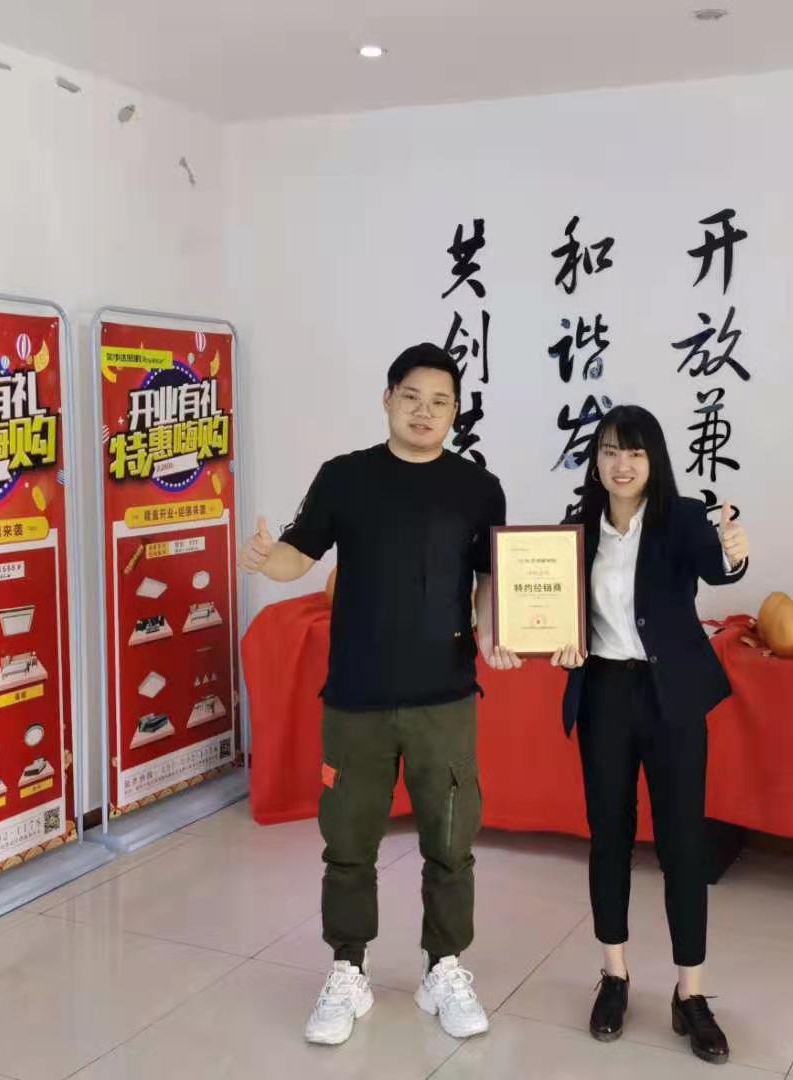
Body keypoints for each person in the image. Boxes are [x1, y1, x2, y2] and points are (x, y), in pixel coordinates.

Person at [240, 343, 518, 1046]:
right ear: (388, 398)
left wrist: (492, 633)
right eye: (412, 397)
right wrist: (268, 559)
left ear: (455, 412)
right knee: (348, 842)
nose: (425, 412)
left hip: (444, 695)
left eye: (440, 402)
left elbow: (489, 579)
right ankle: (347, 970)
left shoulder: (478, 488)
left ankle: (442, 968)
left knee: (450, 842)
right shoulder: (345, 477)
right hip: (356, 697)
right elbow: (299, 553)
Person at [494, 404, 749, 1064]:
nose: (621, 463)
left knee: (682, 843)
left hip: (670, 697)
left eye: (634, 452)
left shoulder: (682, 518)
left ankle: (691, 994)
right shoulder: (576, 529)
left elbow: (717, 567)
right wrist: (555, 643)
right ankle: (614, 976)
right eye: (609, 450)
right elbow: (555, 611)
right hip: (604, 694)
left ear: (653, 459)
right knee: (609, 836)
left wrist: (734, 554)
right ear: (596, 461)